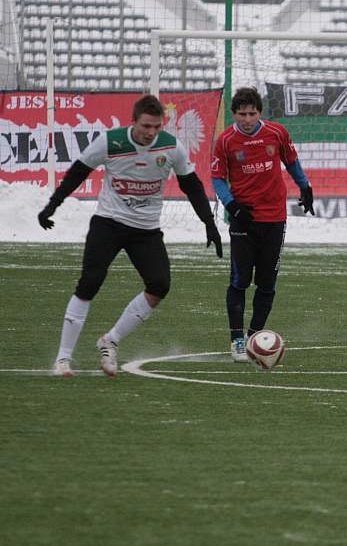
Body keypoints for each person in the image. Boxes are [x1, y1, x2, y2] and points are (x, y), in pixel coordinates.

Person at [38, 94, 222, 377]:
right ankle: (63, 358)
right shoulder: (111, 142)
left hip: (145, 231)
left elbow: (192, 185)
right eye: (145, 126)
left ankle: (110, 341)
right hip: (108, 223)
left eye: (156, 127)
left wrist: (208, 222)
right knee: (90, 282)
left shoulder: (171, 147)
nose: (150, 133)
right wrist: (53, 204)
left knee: (159, 285)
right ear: (133, 122)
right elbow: (78, 172)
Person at [211, 87, 314, 361]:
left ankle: (255, 336)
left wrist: (305, 187)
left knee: (267, 283)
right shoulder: (225, 141)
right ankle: (236, 340)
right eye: (242, 114)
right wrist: (231, 205)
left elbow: (291, 161)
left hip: (275, 218)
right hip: (244, 220)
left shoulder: (277, 133)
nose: (247, 119)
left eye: (252, 113)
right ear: (234, 114)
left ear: (260, 112)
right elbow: (217, 178)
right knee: (239, 281)